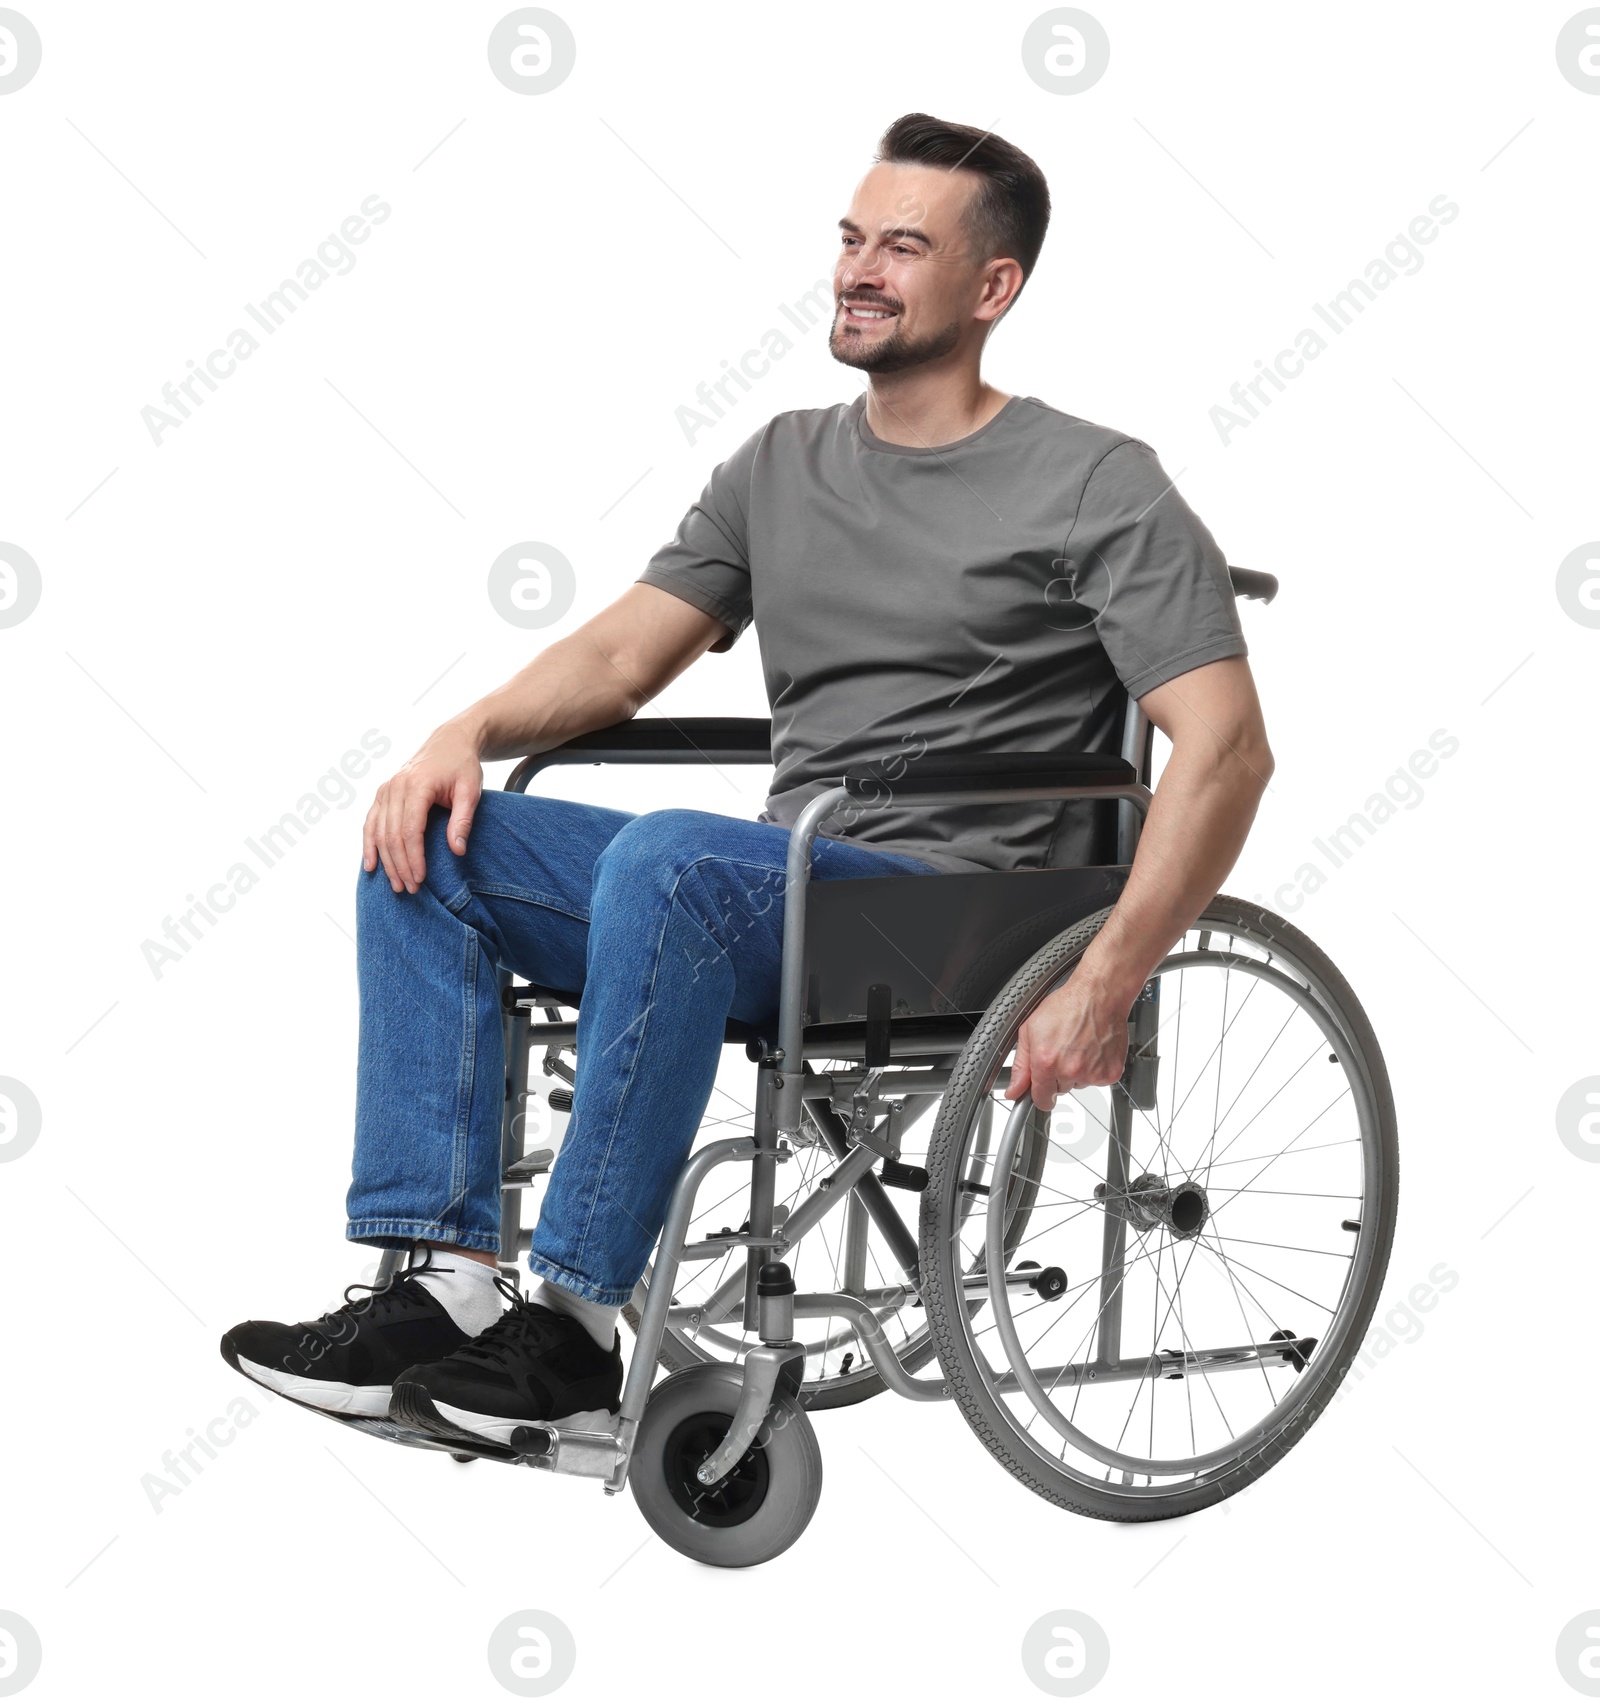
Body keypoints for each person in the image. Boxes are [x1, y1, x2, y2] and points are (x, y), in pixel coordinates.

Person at [221, 112, 1273, 1450]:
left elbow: (1228, 746)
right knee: (428, 841)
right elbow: (618, 653)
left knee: (674, 860)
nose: (860, 270)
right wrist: (462, 736)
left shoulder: (1094, 482)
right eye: (851, 239)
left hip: (971, 914)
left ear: (992, 287)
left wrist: (1107, 979)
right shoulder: (780, 463)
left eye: (904, 245)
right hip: (796, 888)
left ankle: (579, 1337)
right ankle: (445, 1289)